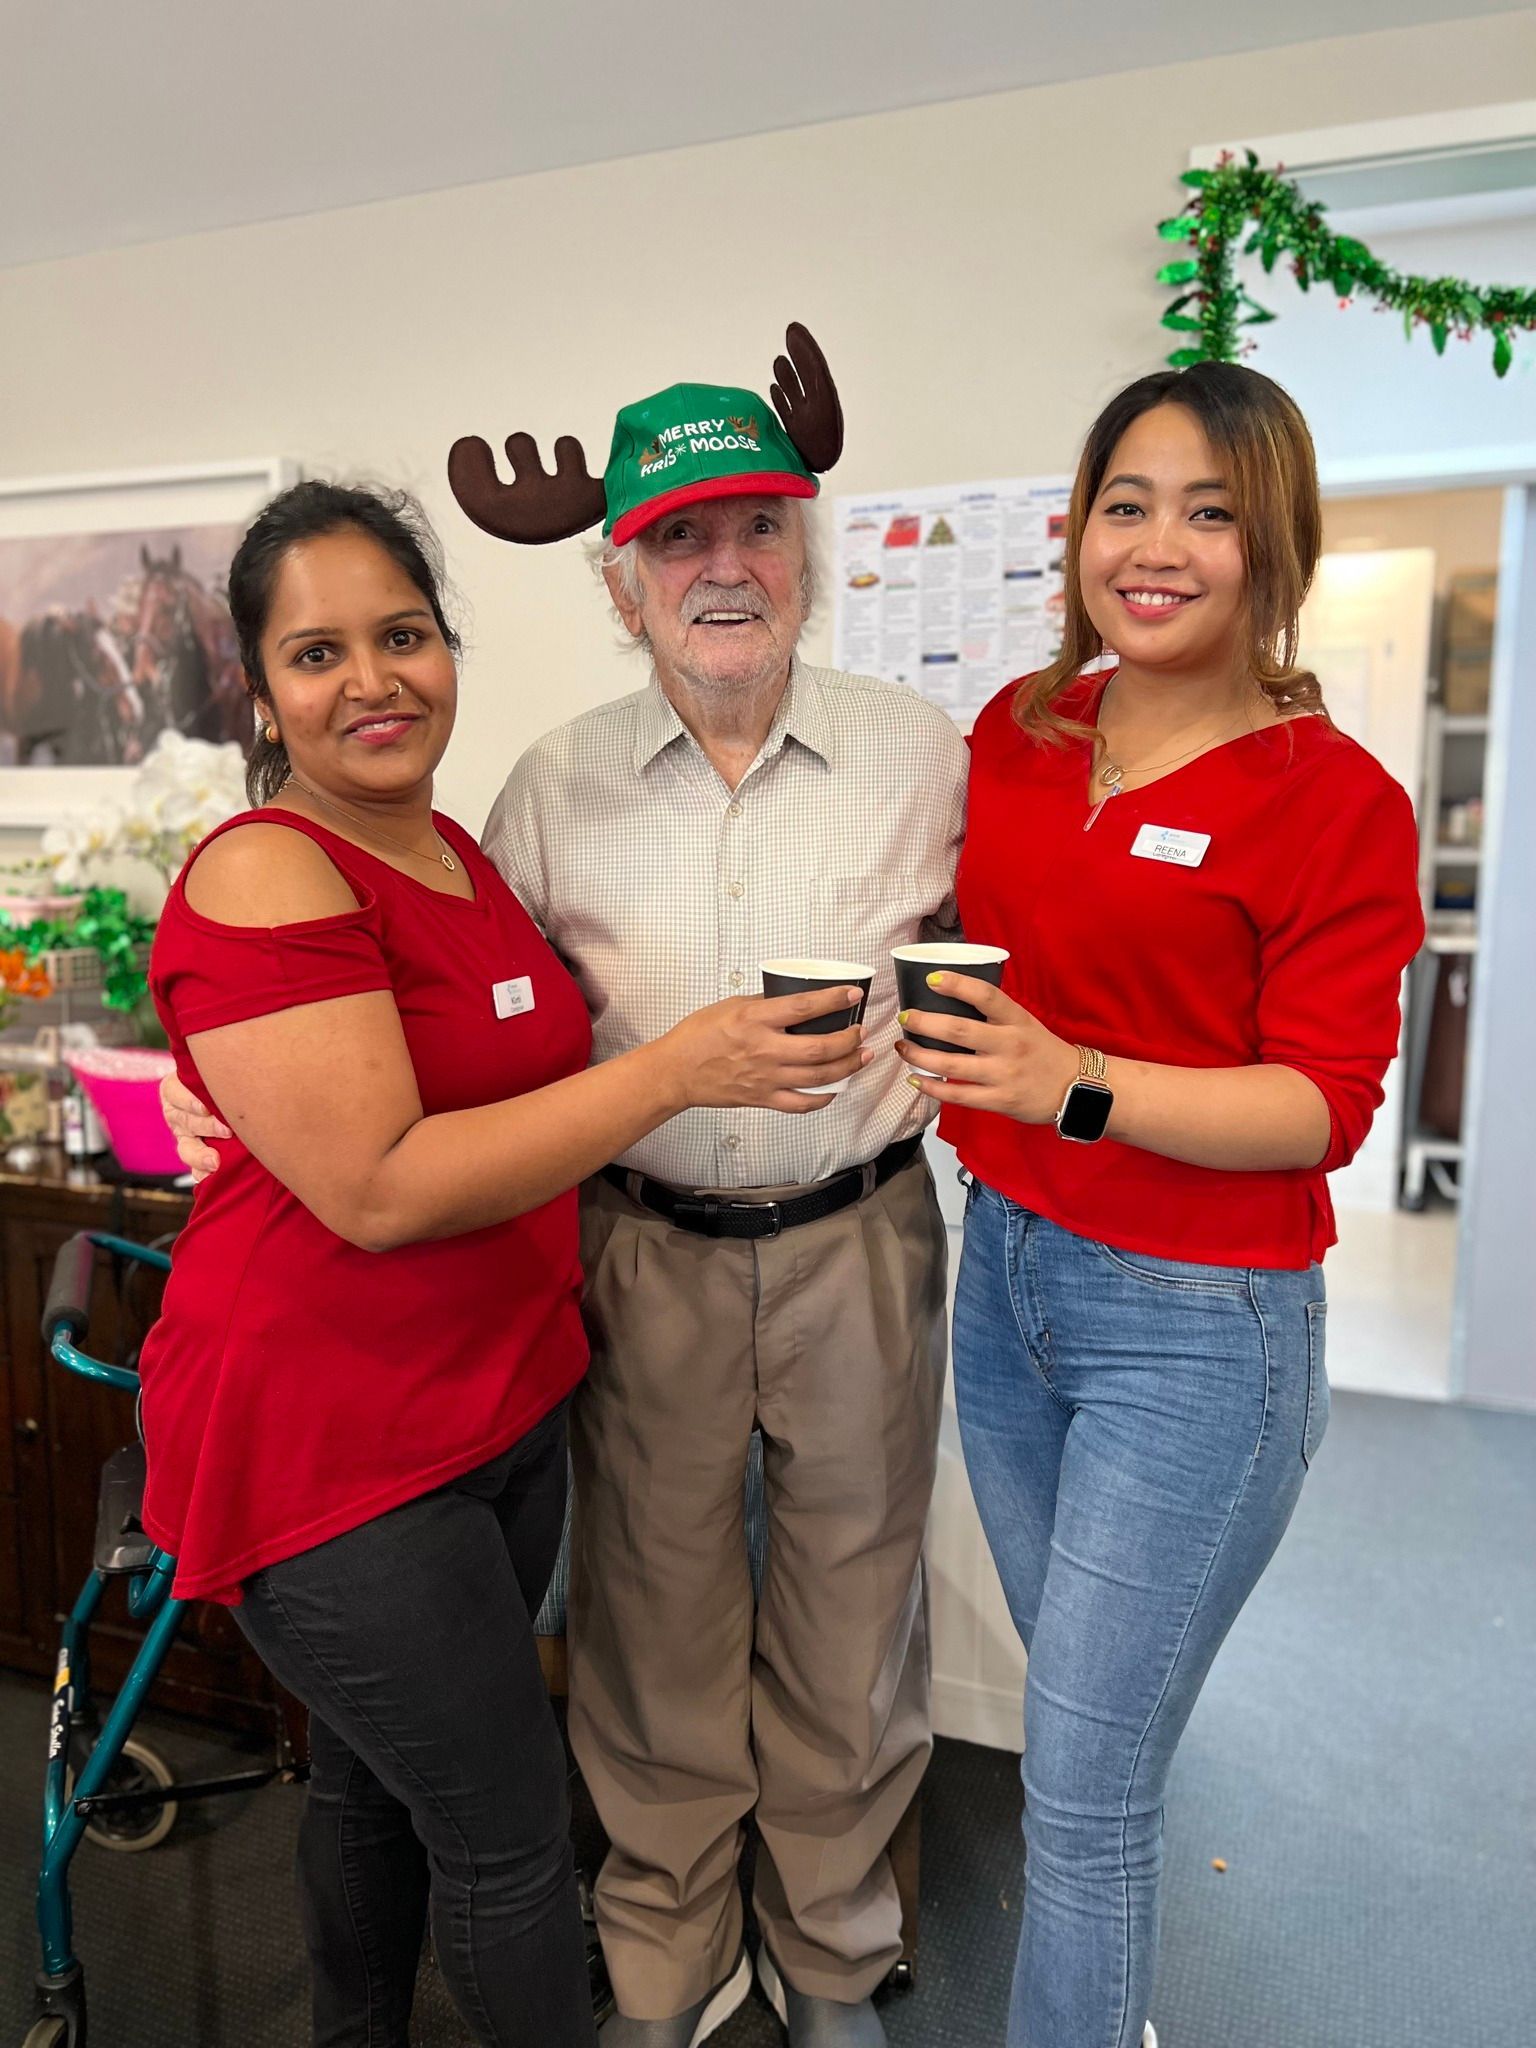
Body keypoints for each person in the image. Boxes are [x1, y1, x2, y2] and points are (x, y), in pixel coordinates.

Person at [141, 478, 871, 2048]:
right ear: (258, 691)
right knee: (509, 1829)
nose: (374, 681)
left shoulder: (460, 853)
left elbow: (491, 1078)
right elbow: (386, 1187)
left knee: (369, 1783)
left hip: (493, 1404)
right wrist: (684, 1069)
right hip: (334, 1444)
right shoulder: (269, 867)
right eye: (317, 653)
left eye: (403, 635)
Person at [896, 361, 1425, 2048]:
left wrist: (1076, 1082)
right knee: (1087, 1735)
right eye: (1127, 502)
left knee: (1084, 1785)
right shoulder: (1022, 736)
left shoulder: (1334, 801)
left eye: (1211, 510)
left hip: (1199, 1330)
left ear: (1276, 547)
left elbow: (1319, 1108)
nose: (1159, 544)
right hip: (1011, 1280)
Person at [451, 322, 968, 2047]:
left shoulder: (924, 758)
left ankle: (830, 1953)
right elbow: (492, 1017)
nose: (722, 565)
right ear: (622, 583)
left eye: (756, 526)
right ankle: (672, 1961)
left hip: (863, 1245)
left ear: (806, 548)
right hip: (646, 1251)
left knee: (853, 1619)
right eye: (679, 537)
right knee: (652, 1625)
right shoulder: (552, 786)